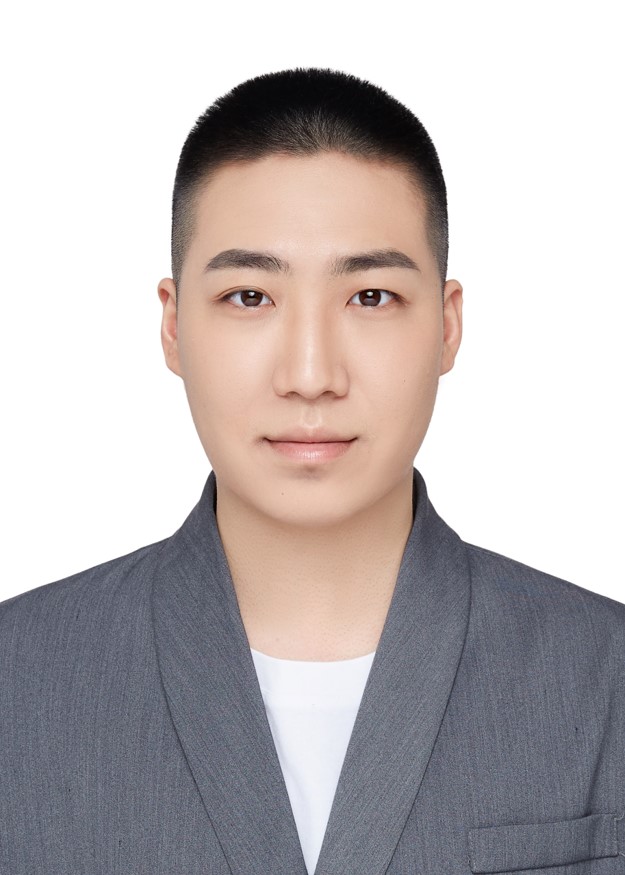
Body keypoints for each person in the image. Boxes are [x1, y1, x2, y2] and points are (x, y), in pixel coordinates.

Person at [1, 67, 623, 875]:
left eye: (369, 297)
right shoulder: (20, 678)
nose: (309, 374)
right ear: (173, 326)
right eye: (249, 297)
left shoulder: (602, 674)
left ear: (446, 326)